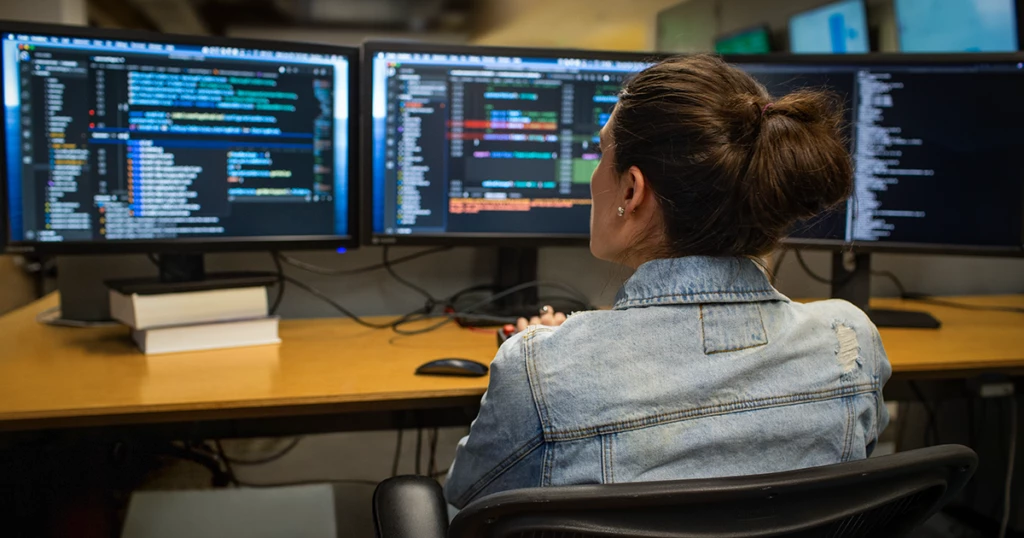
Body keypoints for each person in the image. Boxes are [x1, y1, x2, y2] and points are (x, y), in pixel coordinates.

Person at [443, 54, 891, 509]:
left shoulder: (537, 370)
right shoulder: (850, 343)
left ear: (632, 190)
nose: (595, 175)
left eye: (602, 153)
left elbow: (466, 501)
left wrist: (555, 358)